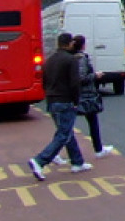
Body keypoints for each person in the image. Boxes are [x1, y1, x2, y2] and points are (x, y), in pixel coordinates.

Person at [28, 32, 92, 180]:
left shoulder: (49, 60)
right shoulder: (70, 60)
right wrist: (76, 101)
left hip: (52, 101)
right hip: (65, 101)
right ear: (69, 44)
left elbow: (44, 81)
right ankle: (40, 161)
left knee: (66, 132)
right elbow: (74, 83)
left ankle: (77, 162)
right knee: (63, 135)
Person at [71, 34, 115, 157]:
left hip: (79, 95)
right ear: (83, 45)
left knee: (87, 122)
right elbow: (81, 77)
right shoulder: (81, 58)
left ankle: (99, 149)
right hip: (85, 95)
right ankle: (98, 149)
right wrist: (95, 75)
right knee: (85, 123)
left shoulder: (72, 57)